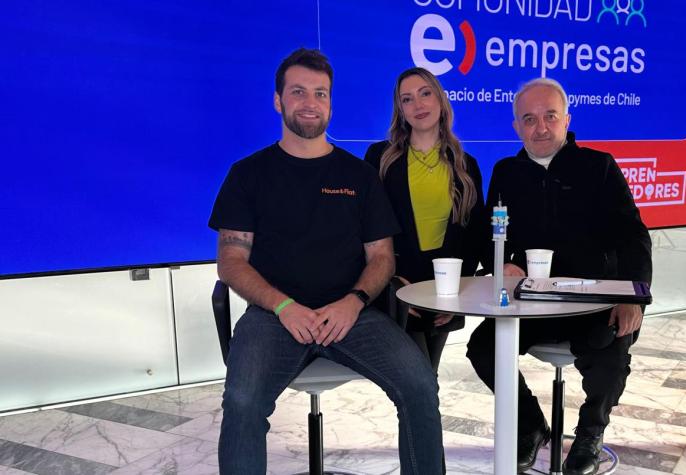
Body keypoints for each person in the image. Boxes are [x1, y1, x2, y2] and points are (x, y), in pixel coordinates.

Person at [209, 48, 444, 475]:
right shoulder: (248, 174)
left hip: (352, 314)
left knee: (420, 385)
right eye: (298, 92)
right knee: (242, 402)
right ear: (278, 100)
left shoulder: (359, 176)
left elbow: (382, 257)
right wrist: (283, 306)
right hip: (273, 316)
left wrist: (354, 301)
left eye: (320, 93)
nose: (310, 103)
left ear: (331, 103)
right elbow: (231, 260)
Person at [466, 78, 652, 475]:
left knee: (611, 353)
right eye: (529, 119)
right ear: (516, 126)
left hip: (592, 302)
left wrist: (633, 297)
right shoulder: (506, 172)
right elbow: (489, 236)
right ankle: (531, 425)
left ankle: (590, 434)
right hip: (530, 302)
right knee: (482, 348)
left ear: (566, 119)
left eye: (550, 116)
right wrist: (501, 265)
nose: (540, 128)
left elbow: (633, 236)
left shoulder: (599, 167)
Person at [364, 67, 486, 374]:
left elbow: (474, 235)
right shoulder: (380, 158)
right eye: (407, 99)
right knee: (417, 380)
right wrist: (391, 281)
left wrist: (457, 291)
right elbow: (365, 227)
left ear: (441, 100)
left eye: (425, 93)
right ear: (400, 109)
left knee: (427, 379)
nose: (418, 105)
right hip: (398, 286)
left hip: (444, 290)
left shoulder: (465, 165)